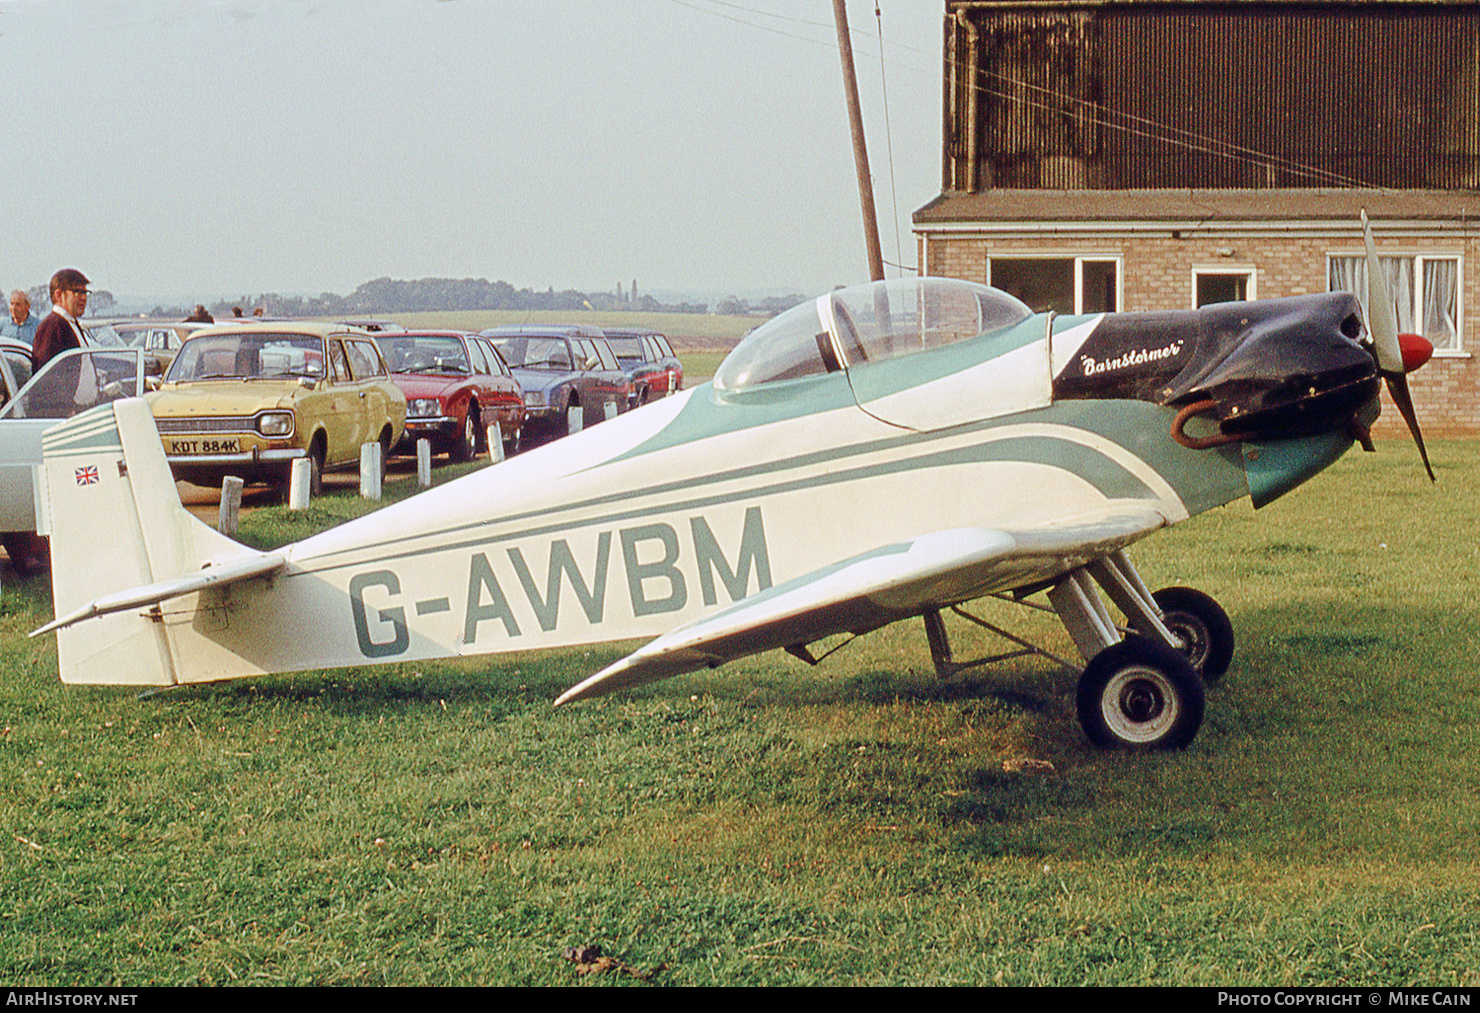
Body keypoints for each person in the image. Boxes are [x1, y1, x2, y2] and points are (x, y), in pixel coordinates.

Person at [32, 268, 90, 371]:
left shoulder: (69, 323)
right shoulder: (52, 325)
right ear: (59, 295)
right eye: (77, 292)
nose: (83, 298)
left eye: (85, 292)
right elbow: (46, 376)